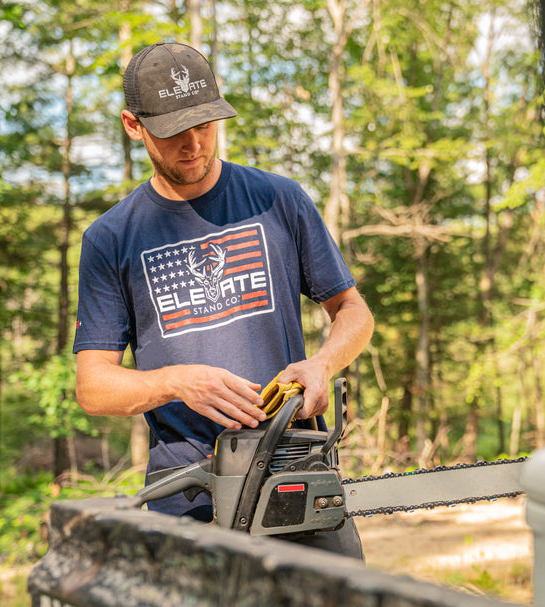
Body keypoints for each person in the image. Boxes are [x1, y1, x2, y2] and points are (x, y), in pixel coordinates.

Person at [71, 41, 374, 559]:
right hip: (186, 492)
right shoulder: (111, 238)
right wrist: (176, 382)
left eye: (205, 125)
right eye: (172, 131)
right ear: (133, 125)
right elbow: (93, 386)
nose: (193, 144)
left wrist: (323, 363)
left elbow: (353, 311)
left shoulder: (277, 199)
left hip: (293, 466)